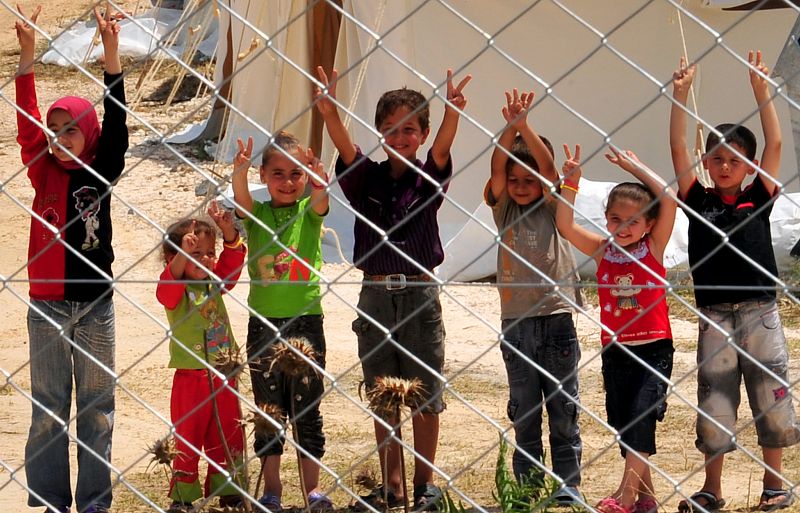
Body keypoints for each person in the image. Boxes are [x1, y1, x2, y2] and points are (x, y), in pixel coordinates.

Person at [315, 65, 470, 511]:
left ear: (422, 134)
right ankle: (393, 485)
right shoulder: (366, 178)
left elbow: (443, 149)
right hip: (376, 293)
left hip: (419, 293)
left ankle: (425, 486)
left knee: (423, 392)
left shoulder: (428, 179)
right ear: (379, 133)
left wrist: (453, 113)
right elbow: (346, 149)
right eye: (390, 129)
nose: (399, 137)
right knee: (383, 392)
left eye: (409, 129)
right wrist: (330, 112)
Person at [670, 53, 800, 512]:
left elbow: (776, 142)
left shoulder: (758, 197)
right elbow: (678, 147)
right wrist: (681, 96)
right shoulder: (697, 199)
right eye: (717, 158)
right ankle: (712, 489)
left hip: (760, 312)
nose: (725, 166)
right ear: (706, 163)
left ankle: (774, 484)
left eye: (735, 160)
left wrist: (762, 92)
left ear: (750, 166)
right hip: (714, 316)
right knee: (716, 400)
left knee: (771, 395)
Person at [16, 5, 127, 513]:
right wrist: (27, 55)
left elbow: (117, 121)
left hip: (95, 306)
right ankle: (51, 499)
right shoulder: (42, 170)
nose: (59, 140)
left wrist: (111, 53)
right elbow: (25, 123)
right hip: (47, 306)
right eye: (54, 129)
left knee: (97, 409)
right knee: (48, 408)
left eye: (70, 130)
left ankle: (94, 502)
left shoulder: (101, 170)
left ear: (90, 134)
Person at [556, 145, 677, 513]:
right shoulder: (602, 250)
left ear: (649, 224)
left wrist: (634, 166)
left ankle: (624, 497)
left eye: (633, 221)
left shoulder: (653, 247)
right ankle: (647, 498)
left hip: (653, 350)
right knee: (625, 424)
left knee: (641, 418)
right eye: (614, 219)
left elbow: (669, 199)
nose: (622, 227)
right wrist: (571, 184)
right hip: (616, 351)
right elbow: (565, 226)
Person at [485, 89, 583, 505]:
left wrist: (526, 127)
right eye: (515, 180)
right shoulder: (504, 208)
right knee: (524, 411)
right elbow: (497, 167)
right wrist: (510, 130)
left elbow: (548, 170)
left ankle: (567, 484)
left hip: (556, 318)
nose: (522, 186)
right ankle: (527, 486)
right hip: (517, 324)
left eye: (530, 180)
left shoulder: (551, 206)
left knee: (563, 408)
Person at [232, 131, 332, 511]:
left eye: (296, 174)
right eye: (278, 174)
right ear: (263, 175)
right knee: (268, 408)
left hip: (306, 322)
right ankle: (272, 488)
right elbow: (241, 201)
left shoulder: (309, 210)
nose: (287, 182)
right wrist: (239, 173)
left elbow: (322, 200)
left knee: (307, 408)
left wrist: (319, 178)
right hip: (264, 323)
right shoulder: (258, 214)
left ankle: (312, 489)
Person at [156, 202, 247, 513]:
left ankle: (230, 491)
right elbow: (165, 291)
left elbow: (231, 268)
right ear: (173, 258)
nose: (206, 259)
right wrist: (183, 257)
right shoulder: (176, 289)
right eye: (195, 253)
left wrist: (229, 233)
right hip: (190, 378)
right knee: (188, 437)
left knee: (229, 433)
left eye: (210, 252)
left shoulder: (212, 283)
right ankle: (183, 496)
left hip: (224, 374)